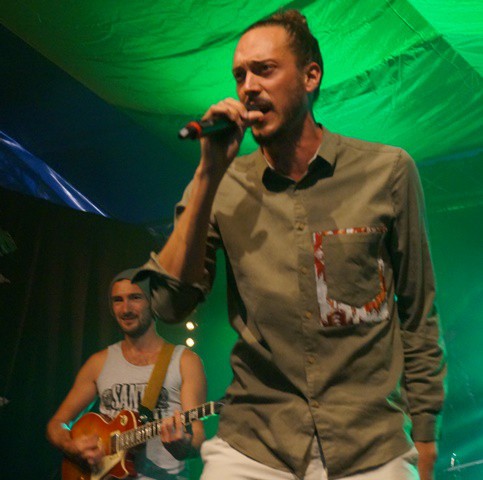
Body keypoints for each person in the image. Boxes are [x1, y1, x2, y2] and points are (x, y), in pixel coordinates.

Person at [136, 9, 445, 480]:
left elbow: (418, 313)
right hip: (255, 443)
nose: (248, 87)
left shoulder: (388, 171)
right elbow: (168, 305)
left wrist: (424, 433)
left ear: (310, 76)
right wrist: (207, 174)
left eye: (264, 70)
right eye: (240, 75)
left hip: (369, 444)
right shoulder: (222, 183)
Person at [46, 269, 207, 479]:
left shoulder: (185, 361)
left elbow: (198, 437)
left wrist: (183, 447)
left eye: (135, 298)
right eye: (118, 300)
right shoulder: (98, 363)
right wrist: (73, 447)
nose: (126, 309)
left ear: (153, 303)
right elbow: (56, 424)